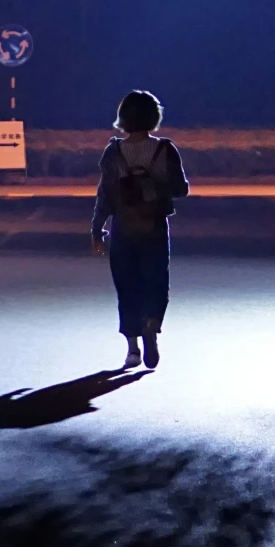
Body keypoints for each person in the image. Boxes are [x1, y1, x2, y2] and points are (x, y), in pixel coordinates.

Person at [90, 89, 189, 370]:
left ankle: (133, 349)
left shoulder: (114, 151)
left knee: (127, 287)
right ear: (154, 116)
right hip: (155, 226)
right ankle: (152, 325)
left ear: (123, 118)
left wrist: (97, 230)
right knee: (156, 283)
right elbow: (181, 189)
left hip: (123, 228)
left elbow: (105, 194)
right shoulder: (165, 149)